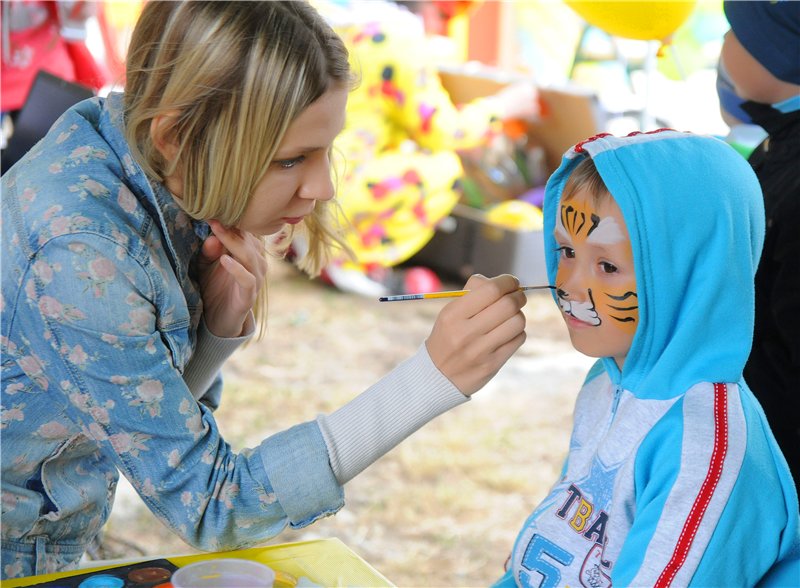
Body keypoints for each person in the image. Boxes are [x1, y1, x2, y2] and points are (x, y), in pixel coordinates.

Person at [0, 1, 529, 579]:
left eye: (325, 149)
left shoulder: (138, 156)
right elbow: (212, 501)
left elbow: (135, 432)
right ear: (176, 134)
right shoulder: (83, 253)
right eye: (291, 160)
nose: (323, 186)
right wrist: (430, 378)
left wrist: (214, 335)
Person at [493, 129, 800, 587]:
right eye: (567, 251)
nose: (571, 284)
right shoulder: (609, 380)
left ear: (691, 274)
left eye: (608, 265)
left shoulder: (703, 448)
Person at [311, 0, 540, 297]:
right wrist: (505, 106)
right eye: (443, 15)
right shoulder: (398, 40)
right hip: (343, 189)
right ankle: (352, 258)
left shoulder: (349, 26)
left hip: (318, 176)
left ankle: (319, 246)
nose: (443, 28)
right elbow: (445, 132)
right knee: (443, 169)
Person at [720, 0, 800, 495]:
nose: (723, 49)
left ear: (779, 54)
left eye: (735, 32)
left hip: (781, 453)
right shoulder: (779, 144)